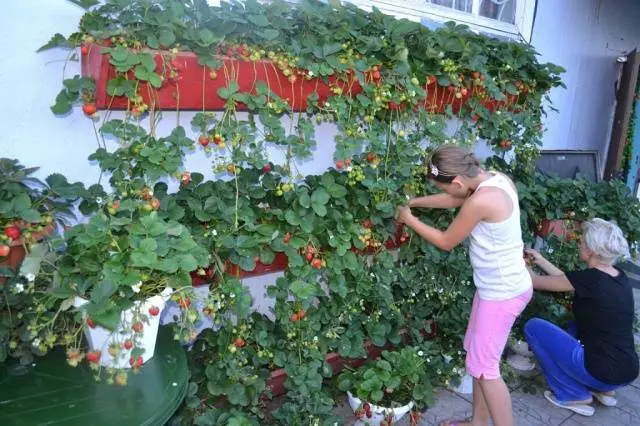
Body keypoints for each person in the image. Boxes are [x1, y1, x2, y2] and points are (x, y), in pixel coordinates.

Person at [396, 145, 532, 426]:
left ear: (457, 182)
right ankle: (478, 422)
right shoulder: (492, 179)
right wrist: (415, 202)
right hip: (496, 289)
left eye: (445, 188)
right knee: (478, 358)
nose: (446, 194)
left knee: (486, 369)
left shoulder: (481, 201)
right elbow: (455, 200)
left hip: (502, 293)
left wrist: (409, 220)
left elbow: (446, 241)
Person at [524, 218, 639, 417]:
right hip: (627, 371)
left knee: (534, 327)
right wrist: (541, 260)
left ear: (593, 250)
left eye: (583, 241)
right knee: (576, 326)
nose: (579, 243)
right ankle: (604, 389)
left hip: (601, 370)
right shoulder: (618, 276)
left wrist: (519, 261)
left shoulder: (590, 279)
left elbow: (534, 281)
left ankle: (572, 393)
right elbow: (567, 280)